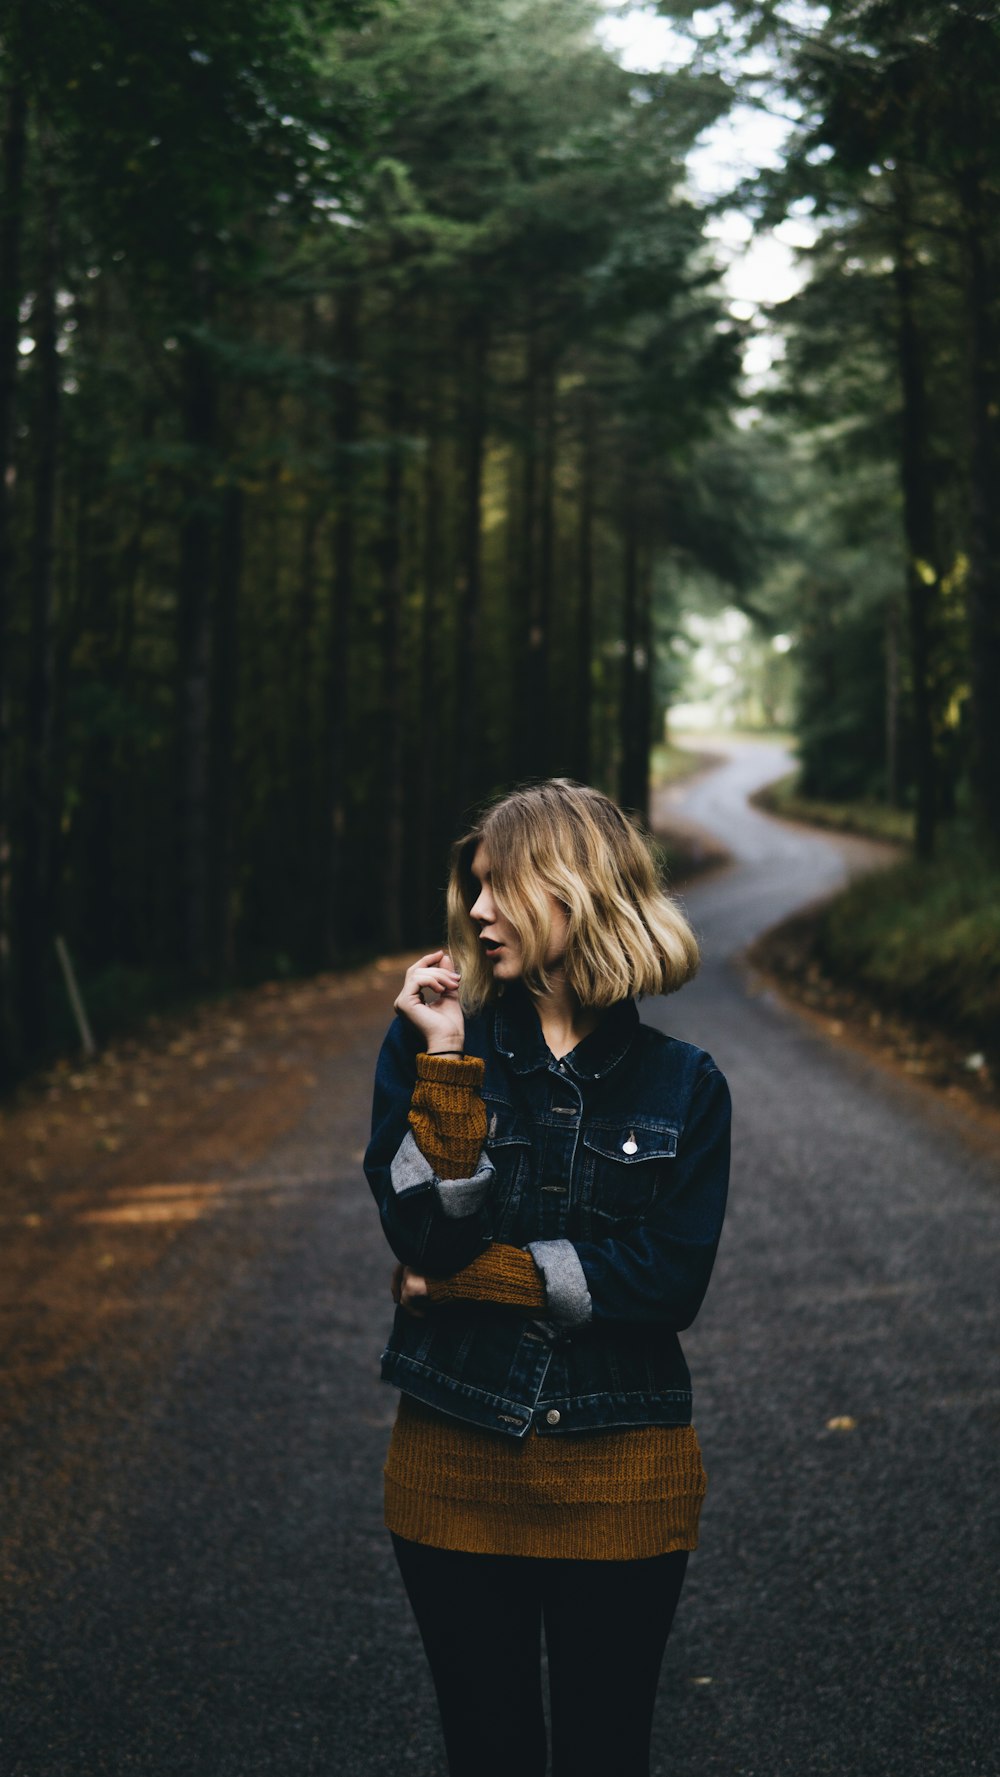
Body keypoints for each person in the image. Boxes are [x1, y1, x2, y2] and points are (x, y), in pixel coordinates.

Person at [363, 778, 731, 1777]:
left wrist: (478, 1284)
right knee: (490, 1756)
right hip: (452, 1474)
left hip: (624, 1481)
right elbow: (422, 1239)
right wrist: (446, 1061)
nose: (477, 910)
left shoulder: (684, 1085)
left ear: (579, 891)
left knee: (606, 1754)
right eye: (474, 888)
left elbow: (665, 1282)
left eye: (503, 886)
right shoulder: (428, 1044)